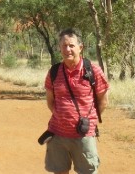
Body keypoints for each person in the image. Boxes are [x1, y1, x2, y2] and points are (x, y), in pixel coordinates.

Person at [43, 28, 109, 174]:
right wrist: (63, 118)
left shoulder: (93, 71)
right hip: (58, 134)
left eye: (71, 45)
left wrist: (88, 120)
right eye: (64, 46)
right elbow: (50, 101)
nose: (68, 49)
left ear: (80, 47)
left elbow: (103, 101)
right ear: (60, 48)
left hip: (83, 135)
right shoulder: (53, 72)